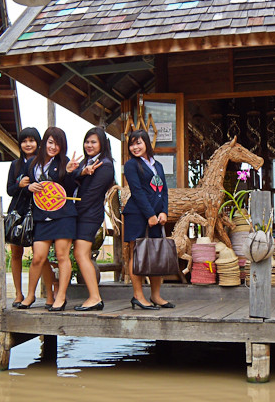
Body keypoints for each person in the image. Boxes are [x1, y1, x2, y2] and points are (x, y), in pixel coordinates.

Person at [18, 127, 80, 312]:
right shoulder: (32, 164)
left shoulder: (65, 162)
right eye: (51, 142)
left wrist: (69, 173)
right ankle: (30, 295)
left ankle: (61, 296)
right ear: (44, 142)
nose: (54, 147)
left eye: (58, 144)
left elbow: (68, 190)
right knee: (38, 257)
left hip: (63, 215)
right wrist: (27, 188)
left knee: (62, 256)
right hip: (40, 215)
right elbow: (22, 186)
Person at [122, 129, 175, 310]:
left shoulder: (158, 165)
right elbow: (137, 192)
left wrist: (164, 212)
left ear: (146, 143)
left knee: (155, 254)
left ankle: (156, 295)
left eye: (138, 143)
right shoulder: (130, 165)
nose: (135, 147)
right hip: (137, 215)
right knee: (137, 255)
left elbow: (164, 191)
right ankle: (138, 296)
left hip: (156, 217)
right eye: (132, 144)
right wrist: (150, 215)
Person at [6, 128, 54, 307]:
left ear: (38, 143)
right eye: (24, 141)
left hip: (37, 212)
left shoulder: (43, 163)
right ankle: (19, 294)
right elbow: (10, 190)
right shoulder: (15, 165)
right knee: (16, 253)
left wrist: (29, 187)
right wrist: (20, 185)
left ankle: (50, 295)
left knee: (40, 255)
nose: (28, 144)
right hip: (18, 212)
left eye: (32, 140)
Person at [72, 127, 115, 311]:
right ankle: (94, 296)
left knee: (81, 254)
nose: (89, 145)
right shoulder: (86, 163)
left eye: (93, 142)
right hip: (83, 214)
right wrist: (81, 172)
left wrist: (73, 212)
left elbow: (91, 194)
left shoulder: (105, 165)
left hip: (89, 215)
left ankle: (95, 297)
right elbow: (71, 178)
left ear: (102, 144)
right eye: (87, 141)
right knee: (81, 254)